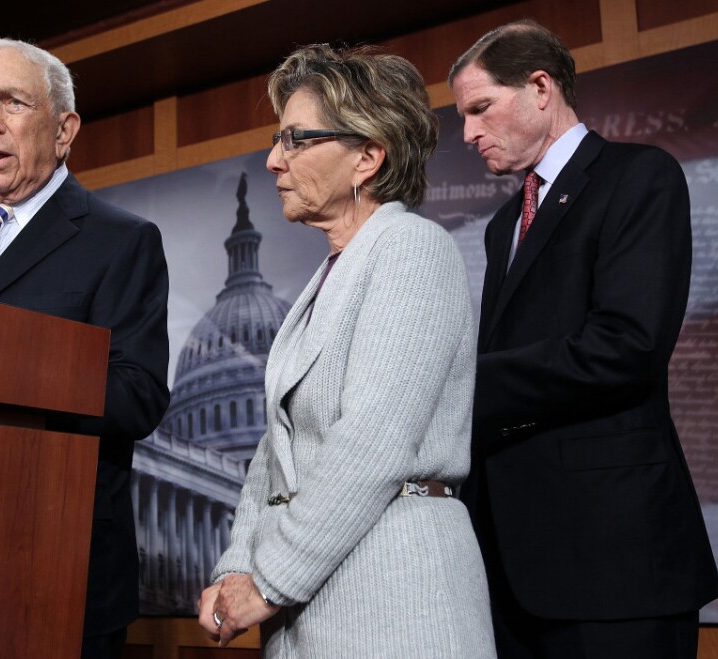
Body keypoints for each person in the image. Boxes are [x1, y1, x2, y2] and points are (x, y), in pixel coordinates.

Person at [196, 44, 496, 657]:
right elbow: (272, 452)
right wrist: (234, 568)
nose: (275, 160)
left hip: (397, 595)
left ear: (367, 156)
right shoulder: (327, 280)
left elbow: (373, 443)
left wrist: (269, 580)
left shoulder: (413, 249)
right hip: (317, 604)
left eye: (296, 140)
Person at [448, 19, 718, 659]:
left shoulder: (639, 177)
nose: (467, 134)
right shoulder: (500, 227)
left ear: (540, 87)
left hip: (616, 564)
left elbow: (626, 346)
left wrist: (460, 381)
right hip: (513, 568)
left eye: (480, 108)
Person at [0, 39, 170, 659]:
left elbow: (137, 395)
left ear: (63, 130)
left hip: (51, 567)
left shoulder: (120, 241)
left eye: (13, 102)